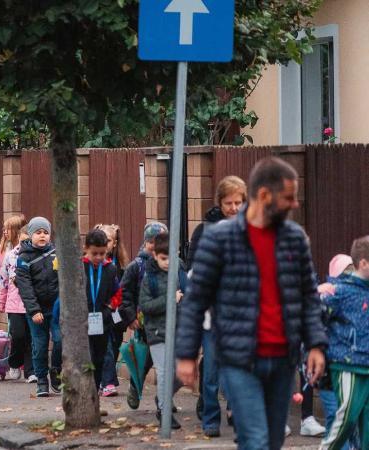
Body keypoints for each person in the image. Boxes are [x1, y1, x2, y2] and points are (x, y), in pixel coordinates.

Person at [176, 157, 328, 450]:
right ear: (264, 196)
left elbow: (308, 296)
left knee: (269, 441)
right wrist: (186, 353)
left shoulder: (294, 238)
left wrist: (316, 344)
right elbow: (196, 300)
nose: (295, 204)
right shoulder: (219, 239)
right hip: (239, 359)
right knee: (257, 439)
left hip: (283, 359)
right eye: (288, 197)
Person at [187, 175, 246, 437]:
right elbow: (193, 270)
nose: (234, 208)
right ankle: (211, 418)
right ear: (220, 203)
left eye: (238, 203)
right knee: (211, 371)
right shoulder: (205, 231)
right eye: (228, 203)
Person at [319, 237, 369, 450]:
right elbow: (315, 317)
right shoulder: (339, 291)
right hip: (347, 364)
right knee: (347, 417)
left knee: (366, 428)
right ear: (363, 263)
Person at [117, 221, 168, 409]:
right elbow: (124, 293)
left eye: (159, 241)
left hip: (167, 320)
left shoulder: (171, 264)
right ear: (145, 242)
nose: (155, 246)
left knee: (167, 362)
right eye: (151, 242)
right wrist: (130, 317)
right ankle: (135, 384)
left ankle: (165, 398)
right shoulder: (136, 266)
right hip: (145, 321)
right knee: (146, 360)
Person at [139, 232, 187, 429]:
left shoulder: (180, 272)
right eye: (163, 258)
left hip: (178, 330)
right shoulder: (149, 278)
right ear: (155, 255)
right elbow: (145, 306)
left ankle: (162, 398)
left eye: (171, 257)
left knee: (181, 374)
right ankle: (164, 411)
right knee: (164, 371)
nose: (167, 262)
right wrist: (169, 299)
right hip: (157, 332)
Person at [16, 217, 60, 397]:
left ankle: (56, 371)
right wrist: (34, 310)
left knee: (60, 341)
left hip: (57, 309)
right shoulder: (24, 258)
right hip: (37, 310)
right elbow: (25, 287)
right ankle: (41, 379)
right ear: (30, 235)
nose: (42, 236)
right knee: (40, 346)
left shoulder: (56, 253)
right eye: (38, 232)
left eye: (46, 232)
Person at [82, 229, 123, 394]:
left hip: (102, 319)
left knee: (100, 357)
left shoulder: (110, 269)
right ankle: (85, 388)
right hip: (82, 319)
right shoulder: (80, 267)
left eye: (102, 253)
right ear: (86, 249)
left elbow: (118, 292)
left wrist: (111, 307)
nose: (99, 257)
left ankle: (97, 386)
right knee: (87, 355)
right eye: (95, 254)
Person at [0, 215, 31, 381]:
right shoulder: (10, 255)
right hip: (14, 304)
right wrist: (2, 301)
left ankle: (31, 371)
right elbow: (4, 281)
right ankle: (15, 362)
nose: (5, 232)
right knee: (18, 335)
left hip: (31, 304)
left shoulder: (36, 256)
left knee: (31, 338)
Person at [93, 223, 128, 397]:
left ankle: (104, 379)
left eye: (108, 240)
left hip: (117, 314)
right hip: (99, 313)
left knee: (114, 346)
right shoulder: (91, 264)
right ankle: (108, 382)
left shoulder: (121, 267)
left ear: (114, 244)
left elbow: (124, 290)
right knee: (104, 346)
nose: (104, 244)